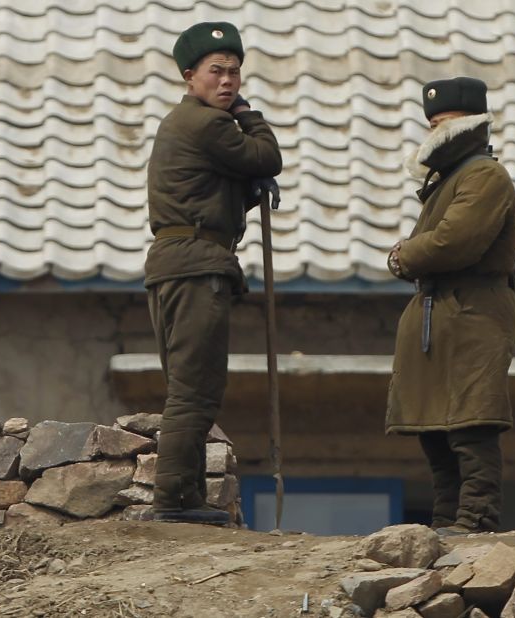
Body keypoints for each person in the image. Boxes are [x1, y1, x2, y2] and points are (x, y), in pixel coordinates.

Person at [145, 22, 282, 525]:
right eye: (216, 72)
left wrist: (245, 187)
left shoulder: (188, 126)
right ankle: (172, 501)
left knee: (191, 385)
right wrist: (250, 115)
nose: (228, 82)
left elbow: (223, 181)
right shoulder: (206, 123)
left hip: (180, 263)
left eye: (235, 73)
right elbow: (268, 155)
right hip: (195, 264)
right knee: (195, 389)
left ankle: (186, 497)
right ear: (189, 77)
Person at [386, 77, 515, 536]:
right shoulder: (449, 178)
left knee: (471, 421)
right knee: (436, 427)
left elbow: (453, 242)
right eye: (432, 123)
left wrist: (403, 254)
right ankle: (447, 518)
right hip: (441, 311)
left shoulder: (484, 175)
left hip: (474, 311)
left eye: (445, 122)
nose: (436, 131)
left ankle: (476, 518)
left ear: (470, 123)